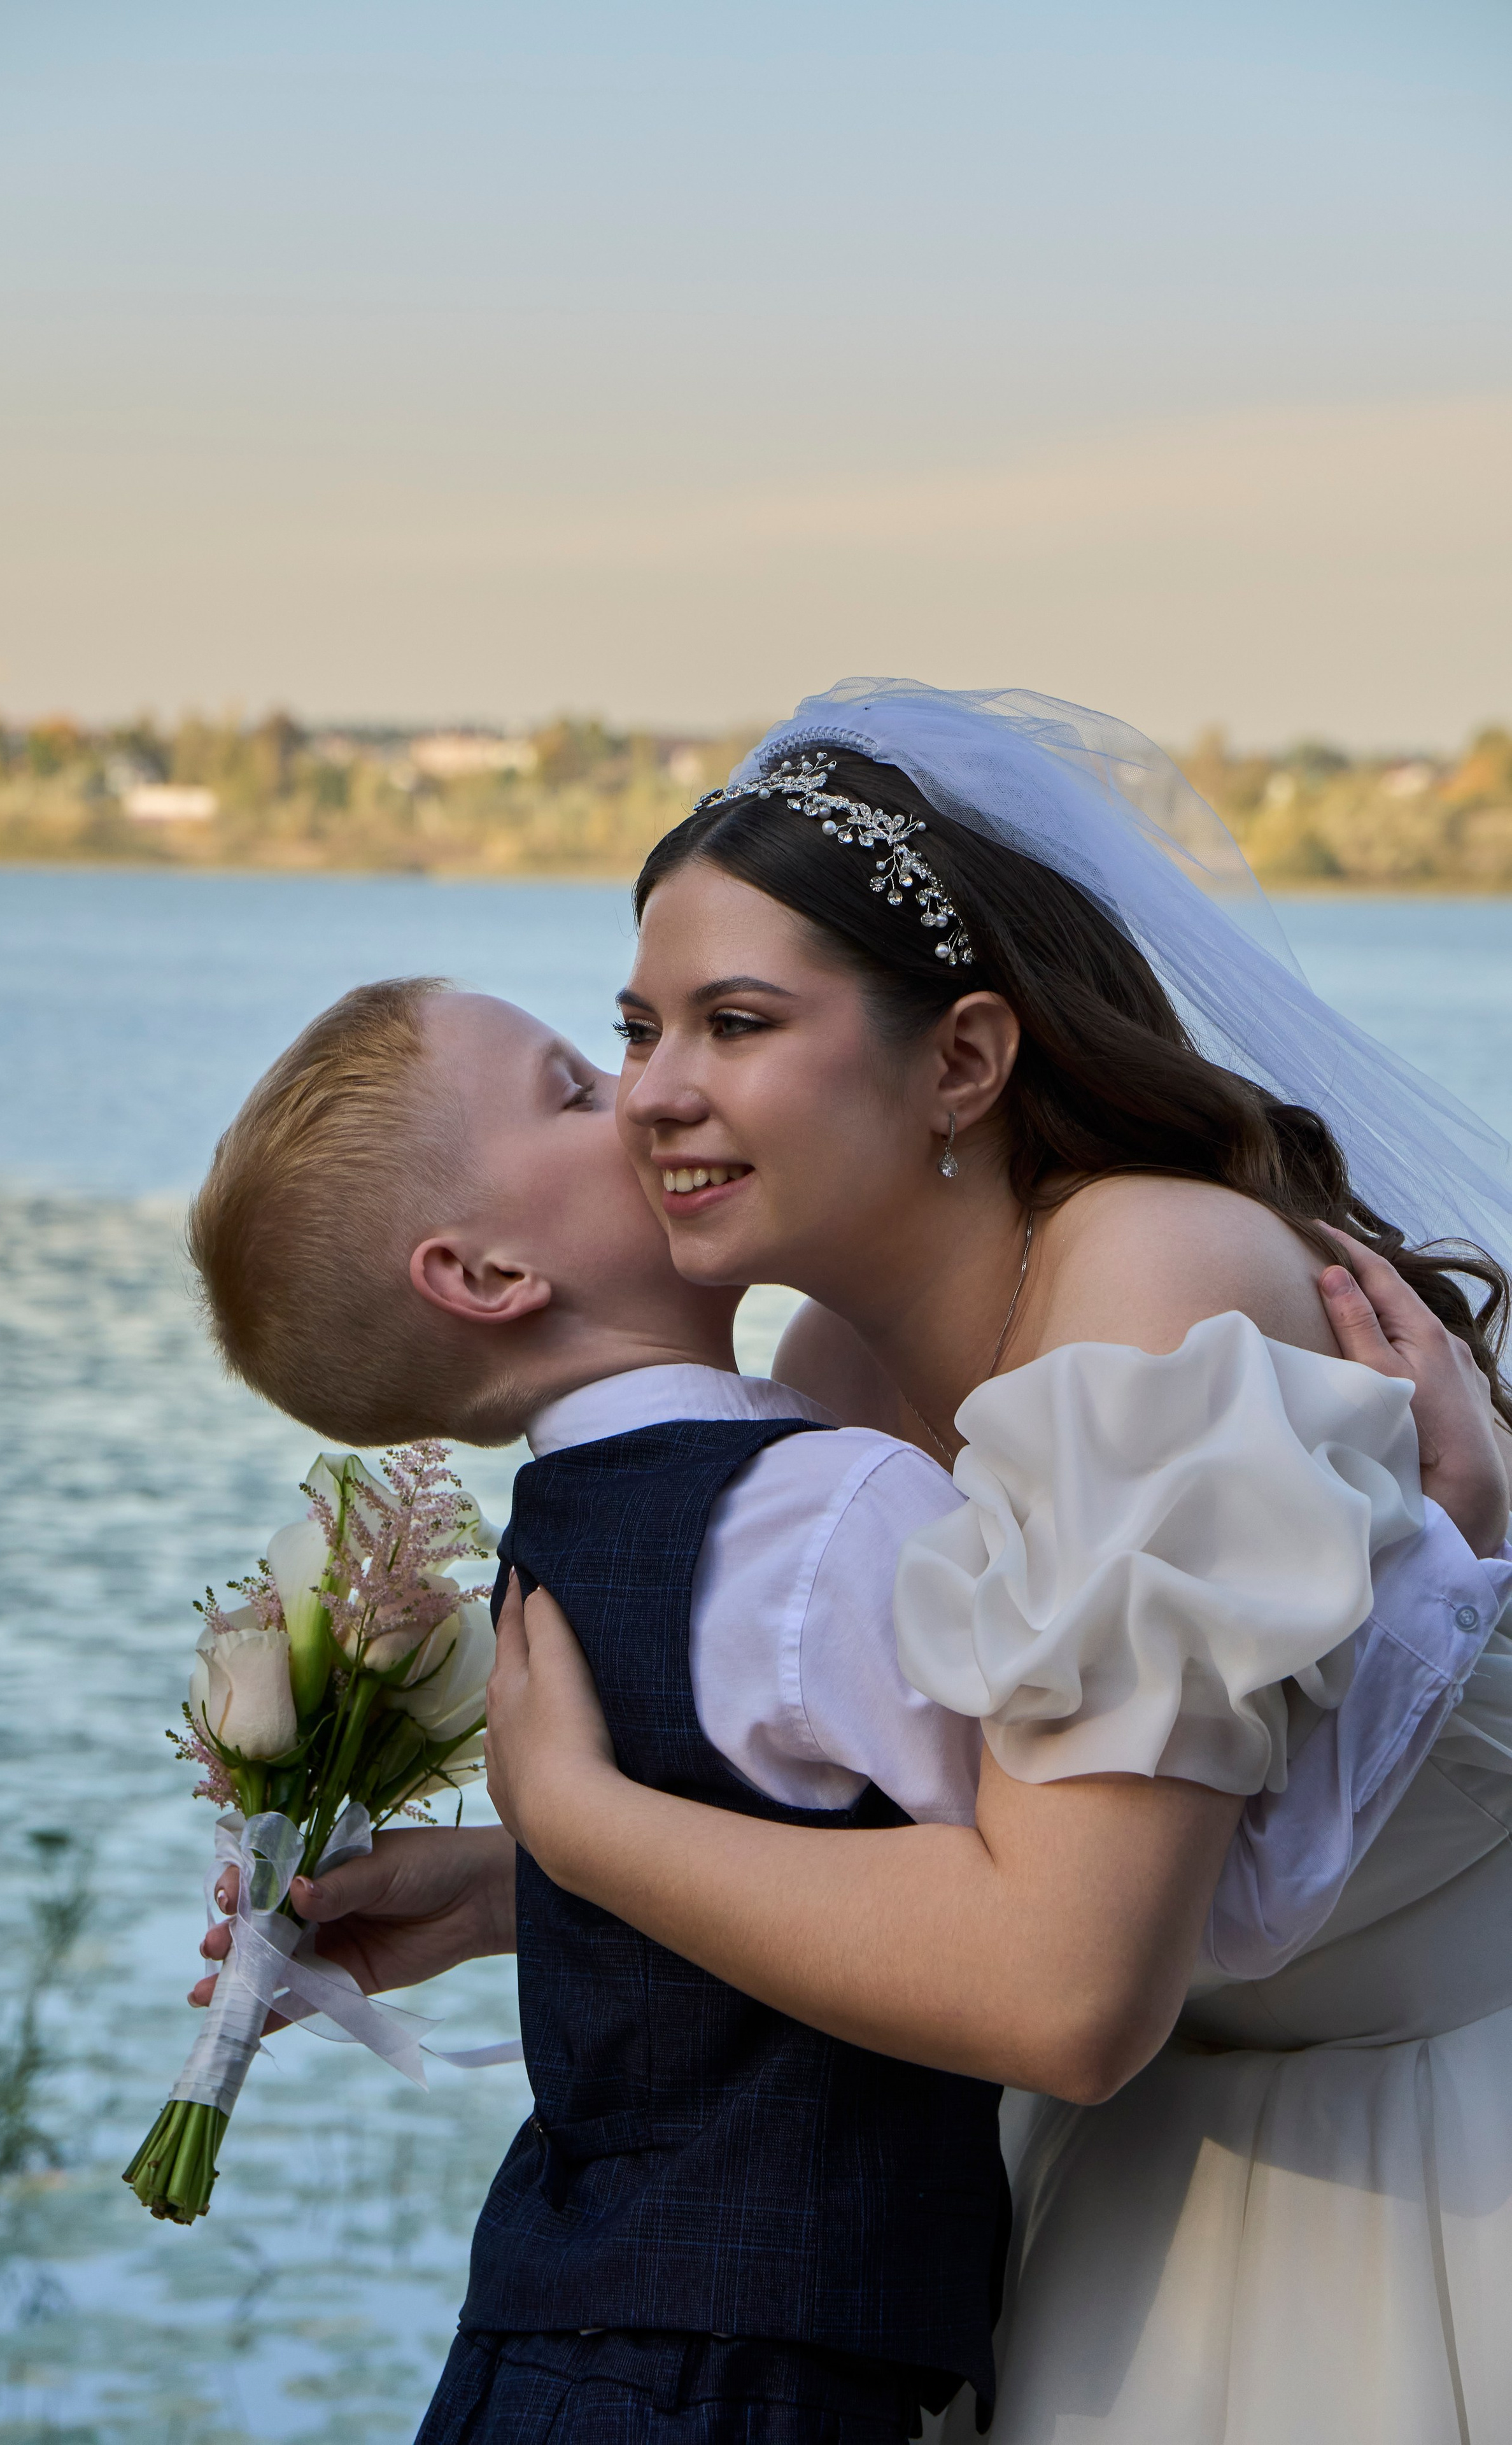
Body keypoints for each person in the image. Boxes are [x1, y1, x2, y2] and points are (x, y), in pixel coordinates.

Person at [184, 958, 1501, 2440]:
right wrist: (1435, 1573)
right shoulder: (835, 1510)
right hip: (757, 2379)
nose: (646, 1099)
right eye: (582, 1084)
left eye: (676, 1036)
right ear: (487, 1278)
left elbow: (783, 1814)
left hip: (554, 2339)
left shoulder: (559, 1533)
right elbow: (1144, 1909)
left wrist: (533, 1879)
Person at [477, 682, 1512, 2442]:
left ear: (961, 1058)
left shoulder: (1155, 1273)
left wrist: (589, 1826)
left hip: (1425, 2171)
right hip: (1139, 2193)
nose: (655, 1096)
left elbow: (1065, 1985)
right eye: (635, 1030)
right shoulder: (831, 1382)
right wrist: (493, 1891)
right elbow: (945, 1819)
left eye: (733, 1023)